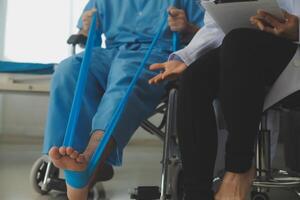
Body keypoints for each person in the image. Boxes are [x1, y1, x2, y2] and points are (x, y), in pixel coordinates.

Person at [42, 0, 204, 199]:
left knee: (125, 77)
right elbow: (87, 40)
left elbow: (210, 35)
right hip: (110, 53)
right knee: (67, 69)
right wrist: (86, 29)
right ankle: (72, 162)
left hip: (155, 55)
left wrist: (187, 28)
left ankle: (89, 161)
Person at [149, 0, 300, 199]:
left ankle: (239, 171)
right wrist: (186, 58)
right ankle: (196, 194)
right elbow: (217, 26)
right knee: (194, 77)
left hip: (289, 57)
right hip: (251, 54)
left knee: (240, 42)